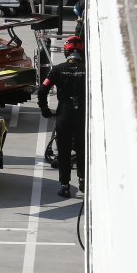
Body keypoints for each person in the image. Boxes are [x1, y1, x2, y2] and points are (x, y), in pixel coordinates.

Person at [38, 41, 87, 198]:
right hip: (82, 116)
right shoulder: (87, 69)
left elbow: (42, 89)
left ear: (66, 53)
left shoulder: (58, 69)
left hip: (64, 115)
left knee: (64, 151)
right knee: (83, 149)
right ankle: (83, 180)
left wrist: (45, 109)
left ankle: (65, 186)